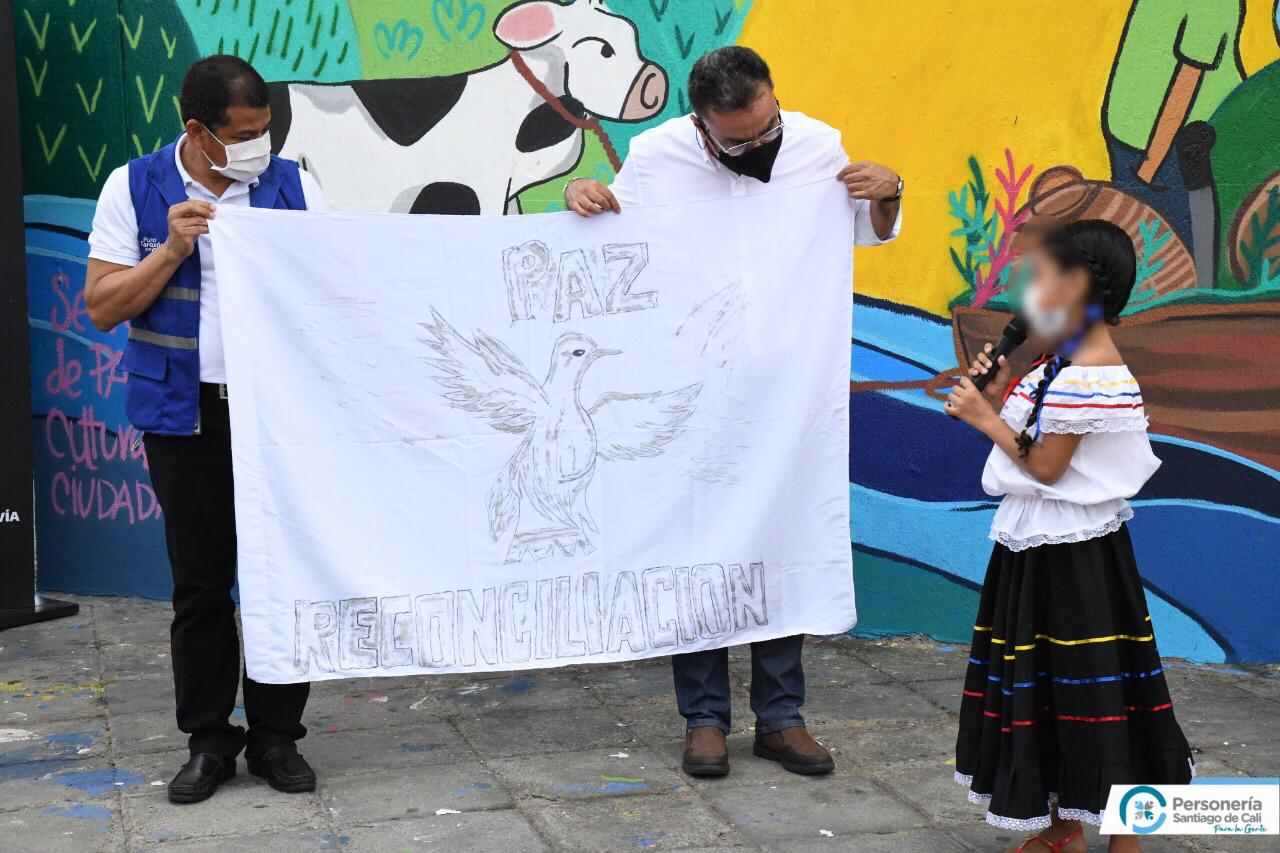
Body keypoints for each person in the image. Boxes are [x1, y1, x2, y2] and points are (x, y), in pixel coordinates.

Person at [566, 46, 903, 778]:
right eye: (736, 141)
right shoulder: (655, 156)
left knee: (783, 542)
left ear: (774, 95)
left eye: (765, 129)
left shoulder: (817, 145)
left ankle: (781, 717)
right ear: (700, 123)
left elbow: (866, 230)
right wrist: (583, 196)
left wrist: (890, 190)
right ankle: (705, 719)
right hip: (695, 395)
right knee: (700, 548)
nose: (757, 148)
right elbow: (615, 240)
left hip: (791, 393)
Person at [84, 55, 329, 804]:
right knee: (200, 583)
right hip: (182, 414)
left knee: (282, 576)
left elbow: (332, 294)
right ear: (198, 130)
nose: (260, 146)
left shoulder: (296, 187)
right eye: (244, 135)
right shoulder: (134, 186)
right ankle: (209, 741)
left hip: (276, 414)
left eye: (265, 131)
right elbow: (102, 306)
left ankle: (278, 736)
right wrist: (171, 249)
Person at [945, 220, 1193, 852]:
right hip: (1045, 547)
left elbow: (1048, 467)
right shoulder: (1063, 361)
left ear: (1079, 285)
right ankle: (1062, 829)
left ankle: (1125, 839)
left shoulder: (1090, 371)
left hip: (1074, 557)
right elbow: (1042, 446)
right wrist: (1000, 395)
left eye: (1043, 277)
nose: (1030, 290)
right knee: (1057, 688)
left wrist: (983, 417)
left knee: (1094, 687)